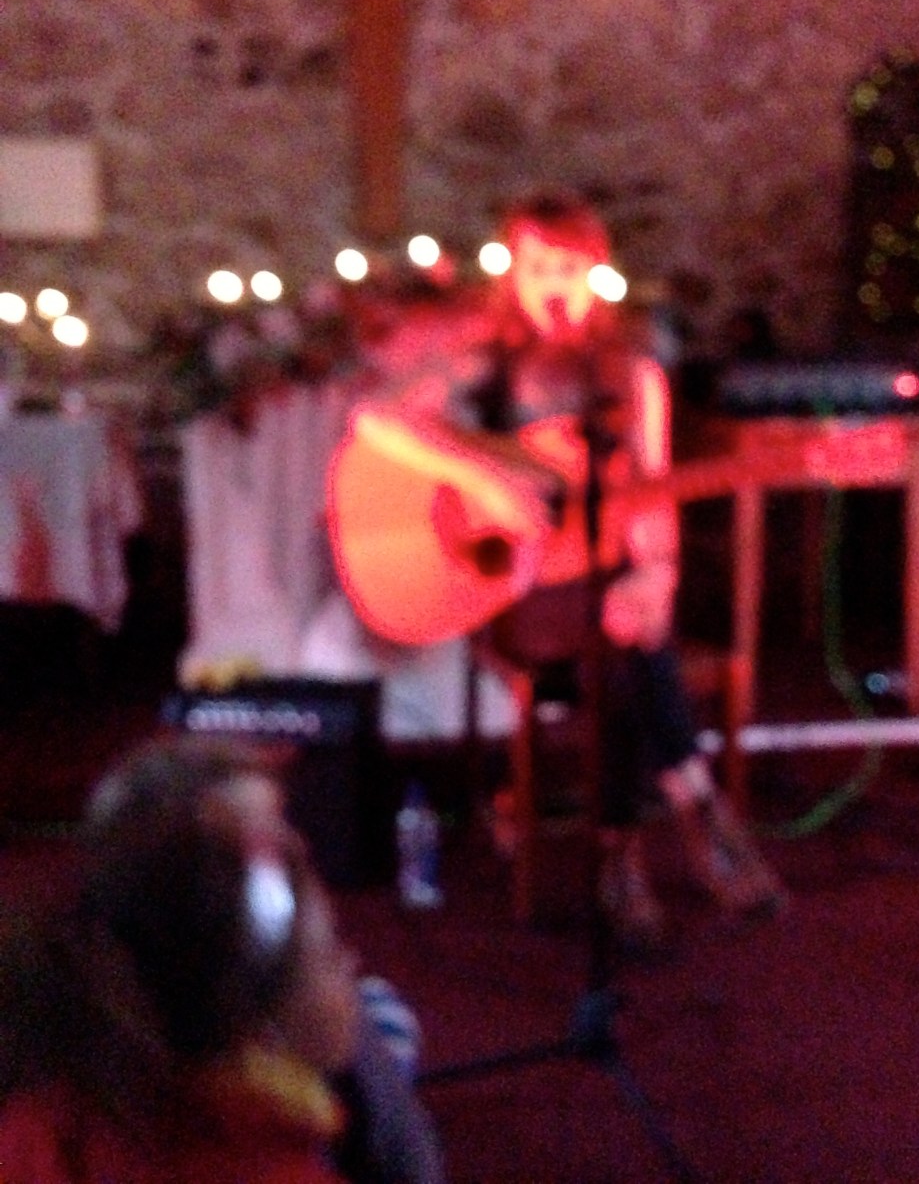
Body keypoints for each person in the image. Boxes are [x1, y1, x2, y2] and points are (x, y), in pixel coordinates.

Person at [340, 190, 786, 949]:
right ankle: (692, 812)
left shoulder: (632, 372)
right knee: (622, 636)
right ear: (513, 274)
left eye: (571, 269)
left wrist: (657, 576)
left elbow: (652, 493)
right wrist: (485, 478)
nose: (556, 285)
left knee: (623, 630)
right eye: (540, 267)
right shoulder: (486, 362)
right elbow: (377, 419)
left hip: (605, 582)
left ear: (597, 275)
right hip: (514, 587)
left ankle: (622, 856)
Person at [0, 736, 445, 1184]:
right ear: (261, 1027)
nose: (293, 847)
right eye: (330, 958)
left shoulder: (46, 1114)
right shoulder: (266, 1162)